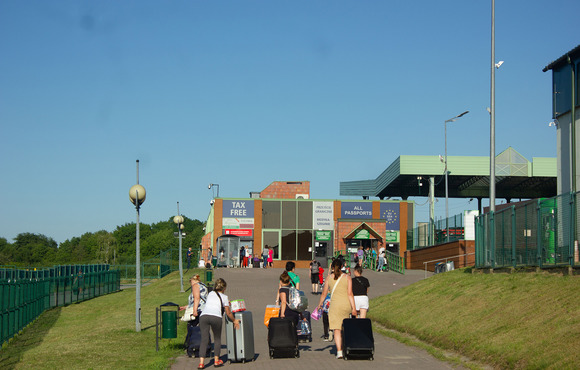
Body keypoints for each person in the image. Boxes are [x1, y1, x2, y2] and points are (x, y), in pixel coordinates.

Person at [316, 258, 356, 359]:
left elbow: (324, 294)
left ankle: (339, 351)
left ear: (332, 267)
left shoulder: (329, 278)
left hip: (334, 306)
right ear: (342, 266)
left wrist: (320, 304)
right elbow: (350, 294)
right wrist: (354, 308)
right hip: (346, 305)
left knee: (337, 330)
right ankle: (346, 346)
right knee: (344, 328)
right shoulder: (347, 277)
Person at [198, 278, 239, 369]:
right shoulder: (225, 297)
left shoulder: (210, 294)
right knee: (217, 338)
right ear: (224, 288)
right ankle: (216, 360)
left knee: (204, 340)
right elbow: (228, 313)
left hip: (204, 316)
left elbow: (213, 303)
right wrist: (234, 320)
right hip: (216, 317)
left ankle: (201, 363)